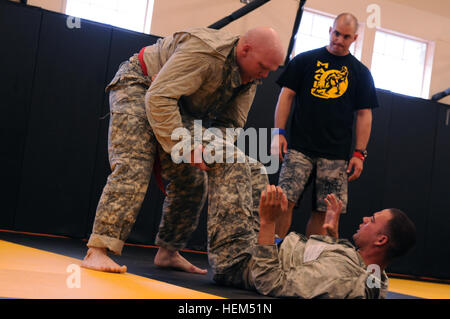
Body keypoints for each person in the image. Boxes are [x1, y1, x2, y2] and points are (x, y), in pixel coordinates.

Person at [81, 26, 285, 274]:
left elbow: (230, 125)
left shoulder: (250, 77)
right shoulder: (206, 52)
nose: (264, 75)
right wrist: (186, 148)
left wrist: (207, 152)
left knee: (194, 178)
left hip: (174, 101)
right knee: (134, 164)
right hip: (141, 84)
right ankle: (98, 250)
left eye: (269, 71)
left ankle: (168, 251)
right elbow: (158, 97)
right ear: (245, 49)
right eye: (263, 67)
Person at [206, 160, 416, 298]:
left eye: (372, 220)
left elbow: (270, 281)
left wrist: (268, 223)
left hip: (239, 260)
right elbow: (358, 280)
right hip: (261, 243)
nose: (364, 218)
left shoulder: (337, 276)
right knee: (254, 169)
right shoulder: (375, 276)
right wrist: (333, 236)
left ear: (381, 240)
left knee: (228, 161)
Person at [270, 13, 379, 238]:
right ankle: (271, 258)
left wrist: (359, 153)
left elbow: (364, 114)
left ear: (354, 38)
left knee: (325, 211)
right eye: (336, 33)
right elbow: (286, 95)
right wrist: (278, 132)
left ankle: (312, 265)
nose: (339, 40)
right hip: (300, 146)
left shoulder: (361, 73)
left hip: (336, 155)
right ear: (330, 30)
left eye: (346, 36)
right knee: (284, 202)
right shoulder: (304, 60)